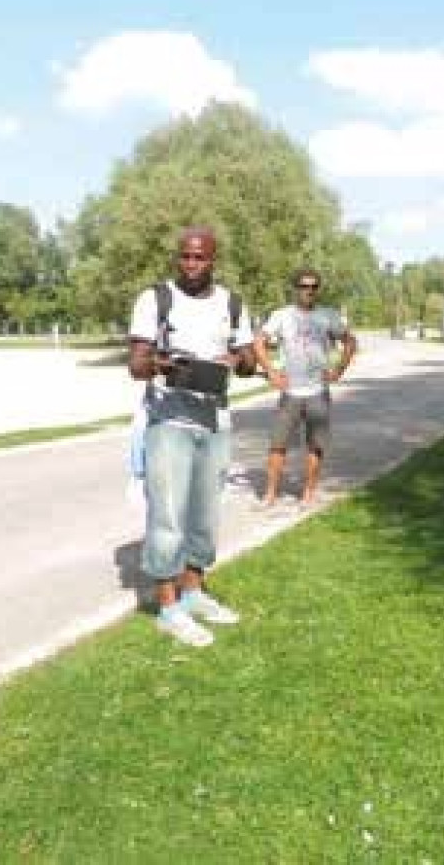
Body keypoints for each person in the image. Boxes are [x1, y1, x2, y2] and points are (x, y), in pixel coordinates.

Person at [127, 226, 252, 647]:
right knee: (168, 515)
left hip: (214, 420)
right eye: (185, 256)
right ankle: (168, 607)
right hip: (169, 421)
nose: (191, 264)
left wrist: (234, 359)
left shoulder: (232, 303)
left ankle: (195, 592)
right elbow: (136, 363)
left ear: (214, 259)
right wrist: (164, 366)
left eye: (200, 258)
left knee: (204, 515)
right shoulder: (155, 298)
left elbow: (250, 360)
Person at [253, 268, 357, 507]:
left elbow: (350, 340)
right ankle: (270, 494)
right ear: (295, 288)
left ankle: (308, 493)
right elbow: (259, 341)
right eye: (304, 286)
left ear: (318, 290)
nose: (308, 291)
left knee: (315, 445)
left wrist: (339, 368)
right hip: (290, 393)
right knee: (278, 445)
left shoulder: (328, 315)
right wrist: (270, 370)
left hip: (317, 392)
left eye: (313, 287)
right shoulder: (282, 315)